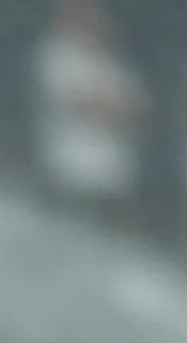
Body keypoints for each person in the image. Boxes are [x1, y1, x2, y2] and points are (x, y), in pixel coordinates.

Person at [33, 0, 148, 229]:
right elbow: (79, 104)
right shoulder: (55, 55)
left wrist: (112, 107)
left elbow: (138, 109)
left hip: (113, 177)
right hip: (71, 171)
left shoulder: (110, 61)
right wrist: (110, 106)